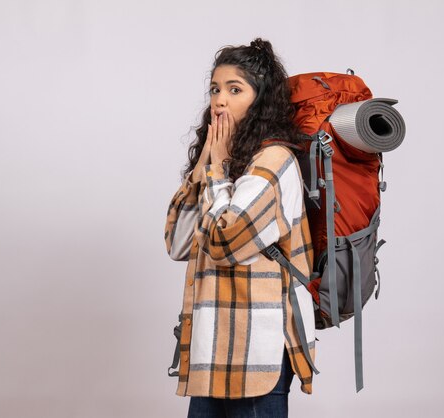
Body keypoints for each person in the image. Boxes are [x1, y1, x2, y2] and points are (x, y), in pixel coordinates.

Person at [163, 38, 317, 418]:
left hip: (256, 356)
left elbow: (223, 243)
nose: (219, 100)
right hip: (211, 352)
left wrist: (216, 173)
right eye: (215, 89)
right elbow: (178, 243)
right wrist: (203, 170)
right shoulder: (229, 164)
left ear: (259, 100)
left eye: (235, 89)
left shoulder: (273, 161)